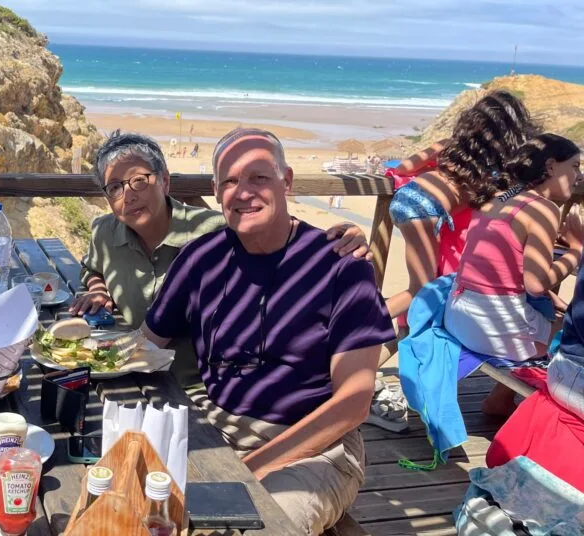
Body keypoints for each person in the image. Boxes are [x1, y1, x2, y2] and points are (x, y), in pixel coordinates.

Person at [143, 128, 395, 535]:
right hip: (216, 425)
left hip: (316, 445)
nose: (242, 192)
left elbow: (354, 403)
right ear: (216, 190)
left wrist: (249, 471)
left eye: (258, 177)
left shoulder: (340, 265)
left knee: (263, 527)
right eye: (229, 181)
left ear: (287, 181)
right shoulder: (201, 259)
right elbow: (144, 346)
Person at [68, 131, 371, 385]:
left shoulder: (212, 233)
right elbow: (92, 267)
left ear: (164, 181)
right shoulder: (104, 232)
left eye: (139, 181)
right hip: (136, 370)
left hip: (204, 386)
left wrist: (338, 240)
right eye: (115, 188)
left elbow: (273, 238)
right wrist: (97, 288)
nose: (128, 196)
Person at [374, 90, 541, 431]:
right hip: (427, 212)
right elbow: (500, 203)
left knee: (423, 297)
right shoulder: (497, 171)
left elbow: (404, 167)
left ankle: (371, 332)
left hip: (408, 199)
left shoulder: (453, 147)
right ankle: (361, 320)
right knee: (420, 290)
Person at [445, 134, 583, 416]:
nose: (579, 176)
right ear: (551, 166)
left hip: (459, 313)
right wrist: (577, 247)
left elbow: (504, 267)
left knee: (551, 312)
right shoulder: (543, 209)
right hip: (489, 324)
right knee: (569, 335)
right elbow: (534, 284)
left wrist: (547, 294)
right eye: (575, 166)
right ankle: (513, 404)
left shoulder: (500, 197)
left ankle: (501, 400)